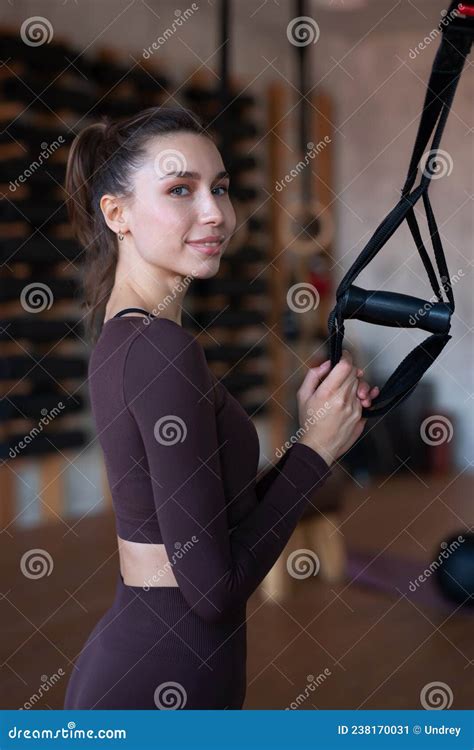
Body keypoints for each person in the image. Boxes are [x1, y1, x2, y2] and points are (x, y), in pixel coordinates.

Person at [62, 105, 378, 710]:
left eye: (221, 189)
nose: (215, 213)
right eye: (181, 189)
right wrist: (315, 453)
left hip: (154, 658)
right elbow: (214, 590)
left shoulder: (129, 336)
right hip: (162, 676)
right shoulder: (161, 350)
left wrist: (316, 437)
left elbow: (214, 522)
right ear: (116, 213)